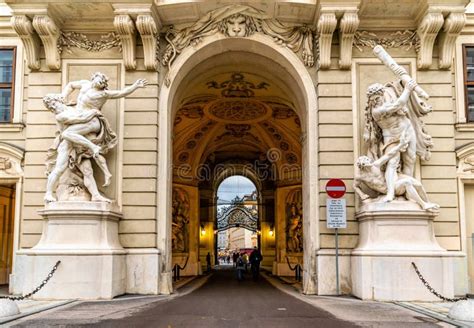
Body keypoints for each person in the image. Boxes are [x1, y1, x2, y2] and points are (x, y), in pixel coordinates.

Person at [44, 72, 147, 203]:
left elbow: (120, 93)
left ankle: (96, 195)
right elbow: (77, 120)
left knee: (88, 171)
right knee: (59, 168)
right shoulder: (62, 115)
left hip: (82, 137)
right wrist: (92, 113)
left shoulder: (100, 94)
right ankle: (48, 193)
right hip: (69, 145)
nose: (58, 104)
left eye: (102, 80)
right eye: (56, 103)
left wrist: (135, 86)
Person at [364, 79, 433, 203]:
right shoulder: (376, 112)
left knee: (410, 159)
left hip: (407, 130)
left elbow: (398, 101)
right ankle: (390, 193)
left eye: (378, 98)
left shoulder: (388, 97)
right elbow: (399, 104)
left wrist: (403, 85)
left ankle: (406, 194)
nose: (376, 101)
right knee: (392, 162)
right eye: (373, 100)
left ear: (382, 95)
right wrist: (408, 89)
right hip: (391, 137)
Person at [354, 132, 439, 211]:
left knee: (418, 184)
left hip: (393, 184)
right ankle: (423, 204)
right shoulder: (361, 177)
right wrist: (362, 195)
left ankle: (427, 202)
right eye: (365, 163)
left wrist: (400, 146)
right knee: (407, 182)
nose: (369, 163)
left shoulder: (376, 165)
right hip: (387, 190)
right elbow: (355, 186)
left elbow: (389, 154)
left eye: (368, 161)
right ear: (362, 166)